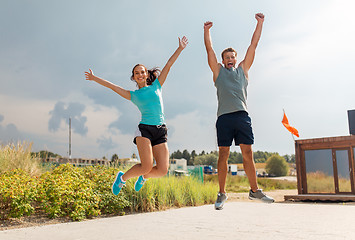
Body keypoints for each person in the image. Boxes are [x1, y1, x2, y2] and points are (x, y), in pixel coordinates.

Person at [85, 36, 188, 195]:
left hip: (161, 130)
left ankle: (143, 176)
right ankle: (122, 178)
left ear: (147, 74)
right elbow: (112, 86)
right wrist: (94, 78)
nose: (140, 74)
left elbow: (168, 64)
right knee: (146, 165)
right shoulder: (133, 95)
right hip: (145, 130)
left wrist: (180, 48)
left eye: (142, 72)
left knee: (162, 170)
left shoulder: (157, 86)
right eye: (136, 73)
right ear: (133, 77)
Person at [203, 13, 274, 210]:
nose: (230, 59)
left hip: (242, 115)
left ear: (236, 59)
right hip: (224, 118)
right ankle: (222, 193)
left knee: (248, 152)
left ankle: (254, 191)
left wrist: (259, 23)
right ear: (223, 61)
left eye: (232, 57)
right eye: (227, 57)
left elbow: (254, 45)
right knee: (223, 154)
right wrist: (206, 31)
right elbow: (209, 50)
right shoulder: (218, 72)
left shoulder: (243, 70)